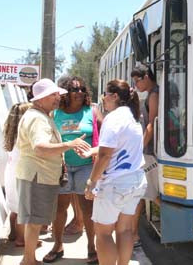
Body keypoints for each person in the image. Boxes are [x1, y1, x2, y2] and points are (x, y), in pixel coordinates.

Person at [16, 78, 91, 265]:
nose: (58, 97)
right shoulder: (38, 119)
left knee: (34, 221)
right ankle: (28, 260)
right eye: (54, 94)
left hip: (38, 176)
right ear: (41, 98)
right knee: (34, 222)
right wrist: (69, 144)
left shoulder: (42, 115)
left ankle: (30, 259)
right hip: (37, 177)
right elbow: (40, 147)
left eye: (58, 94)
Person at [83, 79, 147, 265]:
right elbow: (121, 147)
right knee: (125, 230)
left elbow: (105, 155)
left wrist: (91, 182)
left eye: (105, 94)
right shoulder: (133, 117)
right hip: (135, 181)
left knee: (103, 233)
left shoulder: (113, 118)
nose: (102, 98)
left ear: (115, 96)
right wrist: (92, 151)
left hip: (115, 184)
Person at [43, 76, 102, 264]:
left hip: (87, 167)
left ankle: (91, 247)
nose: (79, 92)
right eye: (75, 89)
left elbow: (106, 135)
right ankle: (57, 245)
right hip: (63, 167)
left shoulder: (91, 110)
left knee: (87, 208)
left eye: (82, 89)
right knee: (59, 208)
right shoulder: (56, 113)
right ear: (66, 93)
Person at [130, 65, 159, 247]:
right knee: (142, 192)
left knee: (144, 192)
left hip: (150, 151)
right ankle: (133, 234)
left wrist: (139, 148)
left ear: (146, 76)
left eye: (137, 81)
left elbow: (152, 124)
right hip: (150, 150)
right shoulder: (152, 93)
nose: (136, 85)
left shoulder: (154, 94)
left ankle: (133, 235)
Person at [3, 102, 32, 247]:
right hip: (21, 173)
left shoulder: (9, 133)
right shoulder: (25, 135)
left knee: (14, 207)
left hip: (10, 172)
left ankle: (13, 234)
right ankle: (21, 240)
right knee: (23, 210)